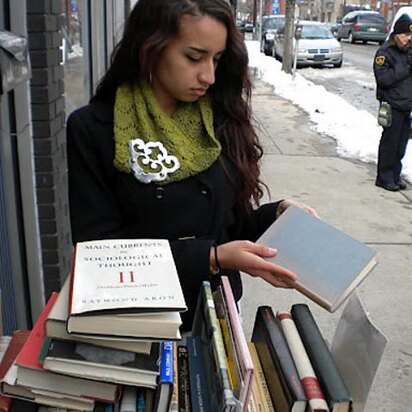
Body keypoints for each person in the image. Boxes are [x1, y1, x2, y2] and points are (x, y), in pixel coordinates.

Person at [66, 0, 316, 331]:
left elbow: (226, 229)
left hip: (219, 313)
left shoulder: (220, 119)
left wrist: (275, 216)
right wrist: (211, 258)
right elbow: (98, 252)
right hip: (141, 322)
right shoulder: (94, 128)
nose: (209, 76)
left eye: (217, 59)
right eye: (194, 57)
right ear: (149, 47)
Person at [373, 13, 412, 192]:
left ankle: (395, 175)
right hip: (392, 106)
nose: (408, 39)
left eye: (410, 36)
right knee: (390, 143)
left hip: (406, 106)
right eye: (405, 35)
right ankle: (384, 177)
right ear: (396, 35)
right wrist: (405, 68)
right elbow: (384, 79)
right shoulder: (384, 53)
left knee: (401, 145)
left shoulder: (409, 52)